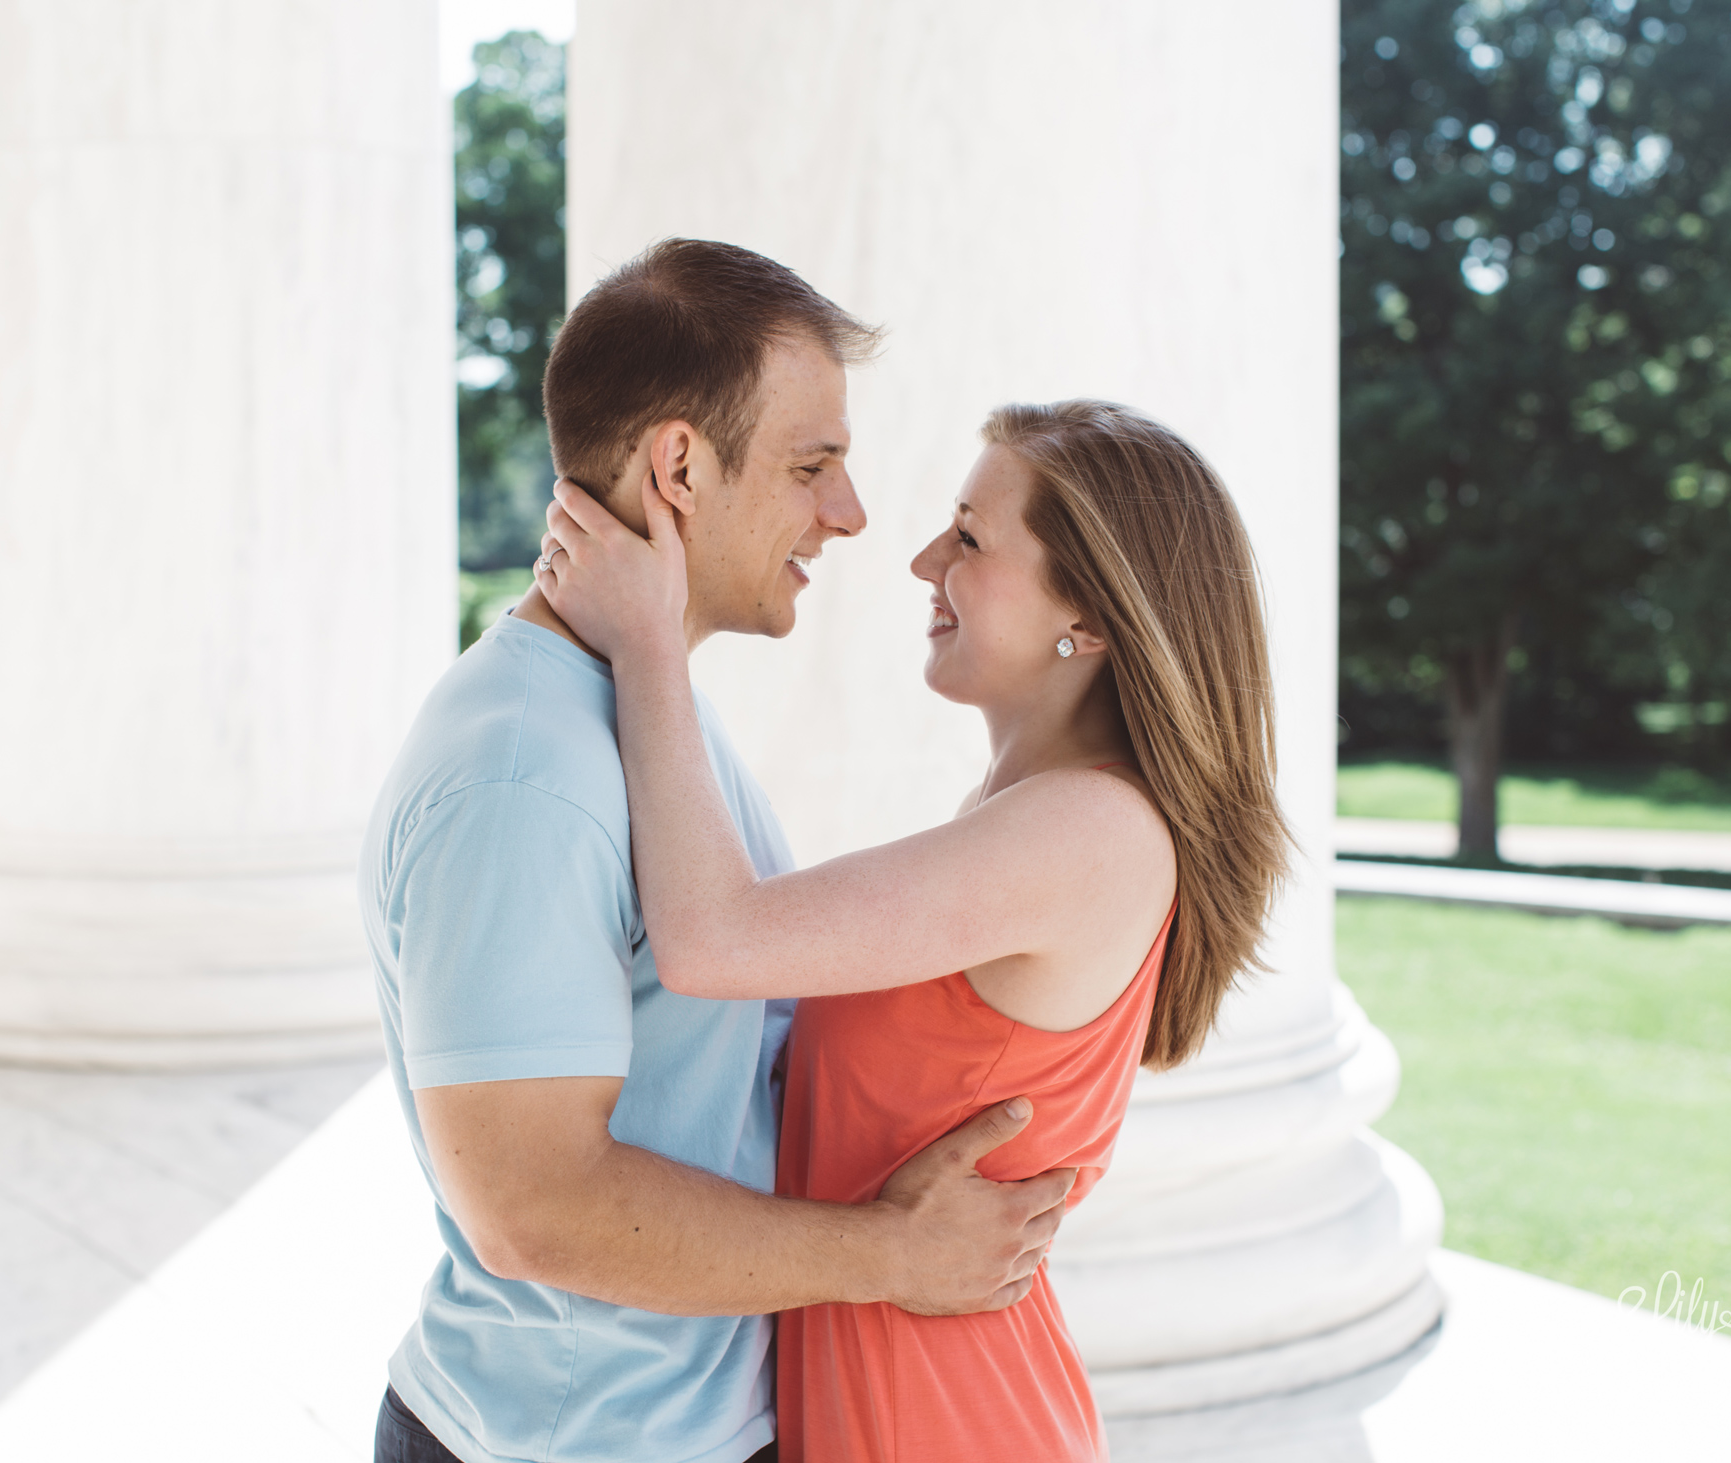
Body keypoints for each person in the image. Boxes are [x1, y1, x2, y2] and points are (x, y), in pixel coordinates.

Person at [358, 239, 1076, 1463]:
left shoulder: (634, 708)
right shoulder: (525, 774)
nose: (848, 515)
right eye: (813, 466)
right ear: (679, 464)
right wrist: (896, 1255)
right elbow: (532, 1209)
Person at [537, 397, 1292, 1461]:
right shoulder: (1039, 811)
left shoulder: (1087, 830)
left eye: (972, 538)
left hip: (948, 1417)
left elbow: (711, 939)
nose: (923, 560)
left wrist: (647, 641)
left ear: (1095, 613)